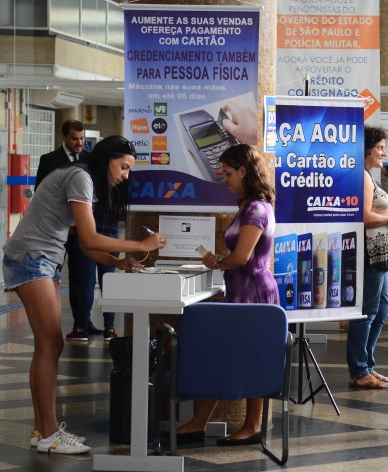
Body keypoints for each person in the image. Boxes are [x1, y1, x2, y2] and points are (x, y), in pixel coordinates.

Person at [3, 135, 165, 454]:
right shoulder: (80, 177)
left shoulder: (79, 177)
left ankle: (43, 430)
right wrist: (140, 245)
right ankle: (49, 433)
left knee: (47, 346)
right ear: (107, 159)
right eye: (123, 167)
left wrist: (118, 262)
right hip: (32, 258)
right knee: (50, 345)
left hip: (40, 259)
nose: (125, 175)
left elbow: (88, 245)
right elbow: (90, 236)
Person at [177, 144, 281, 446]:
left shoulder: (257, 209)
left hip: (254, 292)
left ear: (244, 172)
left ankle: (251, 425)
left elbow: (242, 257)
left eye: (228, 173)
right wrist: (222, 260)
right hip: (242, 289)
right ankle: (201, 422)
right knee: (226, 354)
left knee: (249, 357)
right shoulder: (250, 207)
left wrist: (221, 261)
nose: (225, 179)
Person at [36, 120, 116, 341]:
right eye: (74, 139)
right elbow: (43, 196)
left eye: (82, 139)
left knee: (100, 277)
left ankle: (95, 324)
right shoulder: (50, 160)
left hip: (91, 225)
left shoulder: (88, 161)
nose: (79, 143)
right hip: (66, 232)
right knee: (80, 279)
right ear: (64, 137)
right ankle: (80, 322)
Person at [347, 126, 388, 389]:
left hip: (381, 254)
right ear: (367, 149)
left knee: (380, 311)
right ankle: (358, 370)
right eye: (380, 147)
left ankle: (366, 364)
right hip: (371, 253)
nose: (384, 152)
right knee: (367, 313)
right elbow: (365, 218)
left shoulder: (369, 175)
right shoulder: (363, 177)